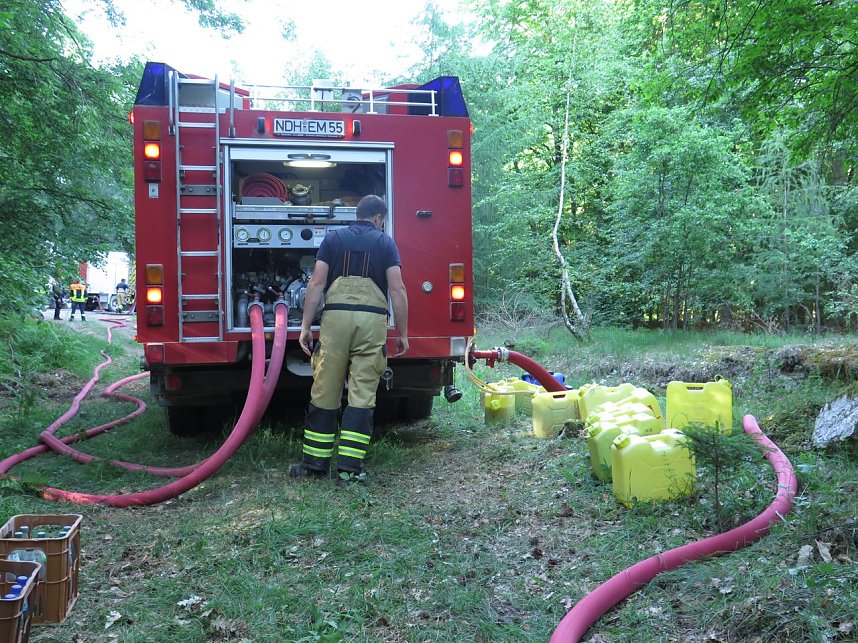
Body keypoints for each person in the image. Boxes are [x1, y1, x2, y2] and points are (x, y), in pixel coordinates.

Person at [291, 195, 408, 483]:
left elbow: (316, 283)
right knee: (362, 394)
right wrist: (402, 332)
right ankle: (349, 470)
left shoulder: (333, 239)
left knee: (325, 390)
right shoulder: (386, 243)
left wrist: (305, 325)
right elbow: (398, 290)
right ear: (379, 218)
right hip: (371, 322)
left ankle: (315, 466)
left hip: (336, 320)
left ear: (357, 214)